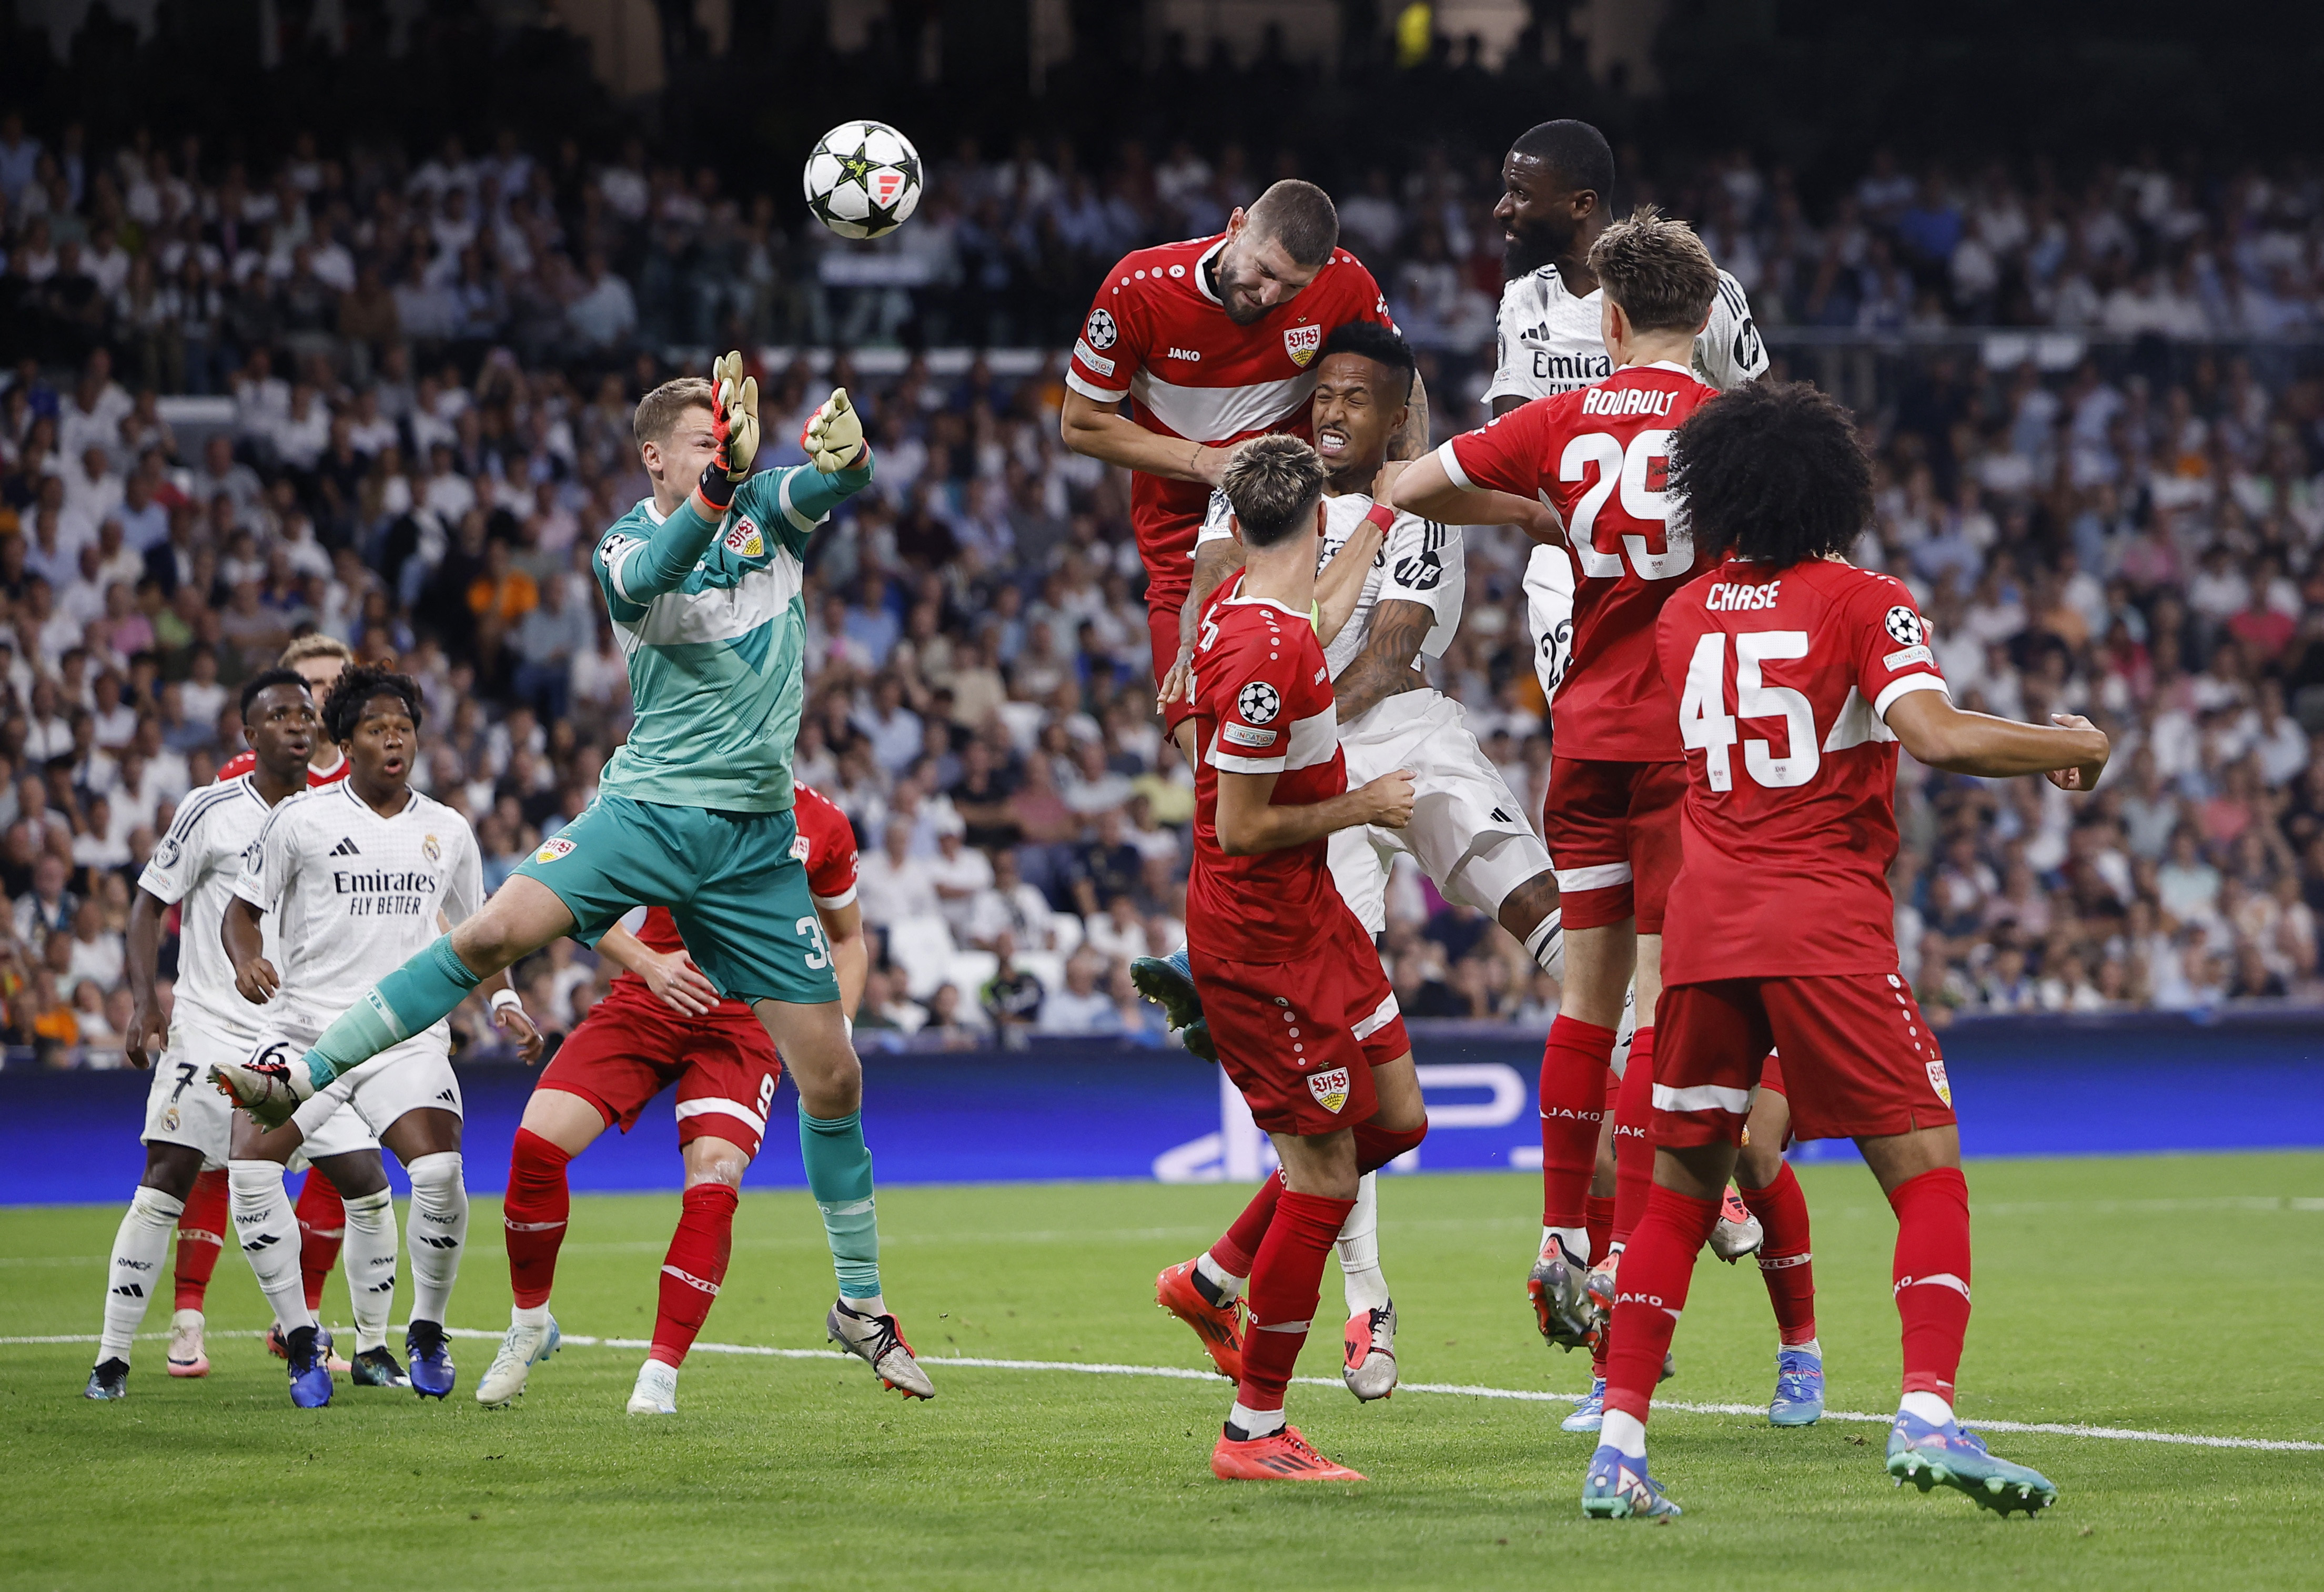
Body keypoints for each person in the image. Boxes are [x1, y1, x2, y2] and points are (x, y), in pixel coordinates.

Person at [211, 356, 934, 1400]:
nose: (725, 445)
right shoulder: (626, 543)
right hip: (640, 813)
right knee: (490, 934)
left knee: (835, 1080)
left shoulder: (766, 506)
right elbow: (655, 575)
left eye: (729, 431)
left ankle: (861, 1306)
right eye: (703, 437)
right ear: (657, 455)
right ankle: (302, 1076)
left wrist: (844, 457)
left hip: (751, 840)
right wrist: (720, 486)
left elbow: (825, 486)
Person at [1581, 379, 2102, 1519]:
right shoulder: (1862, 599)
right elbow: (1933, 734)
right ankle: (1926, 1411)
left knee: (1674, 1194)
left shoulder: (1679, 617)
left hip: (1707, 931)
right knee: (1927, 1175)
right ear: (1833, 489)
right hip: (1822, 921)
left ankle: (1617, 1447)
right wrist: (2070, 742)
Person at [1395, 205, 1817, 1430]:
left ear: (1611, 319)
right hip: (1691, 748)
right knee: (1663, 1026)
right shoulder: (1731, 431)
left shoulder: (1566, 417)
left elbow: (1416, 485)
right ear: (1707, 317)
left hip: (1584, 738)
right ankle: (1643, 1303)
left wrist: (1544, 517)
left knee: (1582, 1005)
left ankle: (1561, 1241)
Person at [1158, 323, 1568, 1400]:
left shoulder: (1408, 501)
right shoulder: (1264, 498)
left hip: (1388, 733)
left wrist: (1399, 499)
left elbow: (1384, 649)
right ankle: (1364, 1307)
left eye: (1357, 397)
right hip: (1298, 785)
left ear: (1396, 417)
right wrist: (1298, 753)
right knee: (1338, 1093)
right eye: (1322, 392)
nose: (1333, 410)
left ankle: (1646, 1080)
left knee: (1545, 914)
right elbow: (1220, 601)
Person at [1479, 121, 1783, 1386]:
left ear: (1586, 204)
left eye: (1521, 192)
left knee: (1623, 974)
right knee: (1653, 962)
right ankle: (1677, 1179)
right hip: (1584, 592)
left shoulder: (1715, 315)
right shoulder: (1523, 303)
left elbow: (1764, 436)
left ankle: (1653, 1191)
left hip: (1669, 617)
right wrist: (1585, 499)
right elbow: (1510, 471)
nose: (1503, 210)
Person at [1168, 434, 1427, 1483]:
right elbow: (1238, 825)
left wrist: (1378, 519)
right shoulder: (1261, 649)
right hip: (1260, 939)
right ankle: (1254, 1429)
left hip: (1312, 915)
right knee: (1321, 1174)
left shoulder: (1254, 604)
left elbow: (1316, 615)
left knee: (1396, 1118)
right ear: (1303, 519)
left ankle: (1216, 1274)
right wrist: (1364, 802)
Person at [477, 779, 884, 1413]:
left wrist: (834, 1038)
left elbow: (848, 939)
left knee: (714, 1181)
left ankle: (660, 1371)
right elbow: (573, 894)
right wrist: (648, 962)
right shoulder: (665, 789)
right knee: (535, 1145)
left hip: (745, 1019)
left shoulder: (824, 823)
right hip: (649, 995)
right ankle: (530, 1323)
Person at [221, 665, 541, 1405]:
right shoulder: (300, 819)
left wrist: (505, 1002)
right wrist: (249, 959)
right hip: (306, 1029)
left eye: (403, 727)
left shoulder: (447, 828)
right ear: (347, 740)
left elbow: (480, 935)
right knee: (250, 1165)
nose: (393, 739)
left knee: (436, 1175)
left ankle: (426, 1328)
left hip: (403, 1039)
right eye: (376, 728)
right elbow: (240, 911)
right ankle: (302, 1335)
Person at [82, 670, 391, 1400]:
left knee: (367, 1182)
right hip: (209, 1031)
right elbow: (147, 904)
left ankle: (367, 1345)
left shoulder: (331, 815)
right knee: (164, 1182)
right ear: (248, 735)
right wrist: (143, 1005)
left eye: (304, 714)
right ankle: (112, 1357)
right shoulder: (210, 809)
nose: (296, 724)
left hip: (298, 1038)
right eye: (278, 715)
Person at [1058, 179, 1416, 767]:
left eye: (1291, 286)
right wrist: (1206, 461)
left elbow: (1400, 382)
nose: (1269, 295)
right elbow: (1080, 424)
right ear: (1234, 228)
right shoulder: (1137, 289)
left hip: (1295, 542)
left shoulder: (1344, 281)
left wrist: (1404, 480)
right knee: (1206, 757)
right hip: (1180, 548)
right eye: (1263, 271)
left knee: (1310, 749)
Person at [207, 631, 357, 1368]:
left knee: (343, 1161)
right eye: (307, 684)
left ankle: (301, 1319)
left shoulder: (368, 778)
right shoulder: (246, 778)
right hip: (255, 999)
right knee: (222, 1149)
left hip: (337, 1004)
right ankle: (187, 1313)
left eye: (333, 681)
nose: (319, 697)